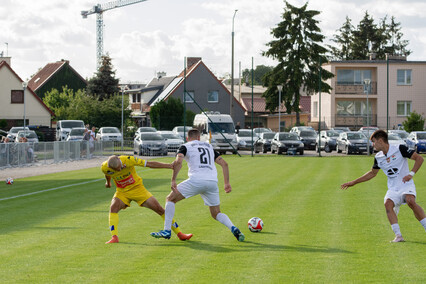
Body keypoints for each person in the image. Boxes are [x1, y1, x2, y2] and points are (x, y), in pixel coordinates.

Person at [151, 128, 245, 242]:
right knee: (216, 213)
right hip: (212, 182)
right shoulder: (209, 146)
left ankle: (166, 230)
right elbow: (224, 164)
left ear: (187, 138)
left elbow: (178, 162)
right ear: (199, 138)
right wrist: (226, 184)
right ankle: (233, 227)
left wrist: (173, 180)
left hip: (196, 181)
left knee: (170, 199)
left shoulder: (185, 146)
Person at [341, 130, 426, 242]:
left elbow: (419, 159)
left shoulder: (400, 148)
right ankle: (398, 236)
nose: (373, 144)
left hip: (406, 185)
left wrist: (411, 174)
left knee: (410, 201)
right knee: (387, 204)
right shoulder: (378, 157)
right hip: (393, 188)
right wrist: (353, 182)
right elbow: (372, 173)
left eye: (374, 142)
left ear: (380, 141)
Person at [101, 155, 192, 244]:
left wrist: (169, 166)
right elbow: (107, 173)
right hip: (122, 192)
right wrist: (108, 182)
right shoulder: (104, 167)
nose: (119, 170)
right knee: (113, 208)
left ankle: (180, 234)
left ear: (120, 161)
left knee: (159, 209)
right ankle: (114, 237)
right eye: (116, 170)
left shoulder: (129, 160)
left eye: (120, 167)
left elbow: (149, 164)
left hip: (138, 190)